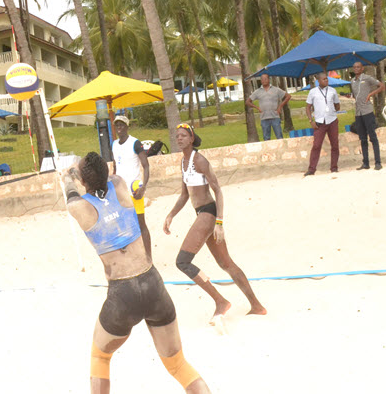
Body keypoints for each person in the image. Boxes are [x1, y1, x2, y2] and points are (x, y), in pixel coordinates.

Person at [62, 152, 211, 394]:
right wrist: (83, 173)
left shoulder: (78, 206)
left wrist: (69, 176)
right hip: (152, 282)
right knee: (178, 365)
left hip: (123, 293)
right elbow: (106, 178)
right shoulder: (119, 184)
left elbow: (71, 192)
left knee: (100, 358)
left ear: (83, 181)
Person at [163, 124, 266, 325]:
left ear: (192, 138)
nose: (180, 138)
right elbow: (185, 195)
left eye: (184, 135)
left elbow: (218, 190)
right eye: (177, 136)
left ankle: (220, 301)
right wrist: (171, 215)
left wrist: (219, 222)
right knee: (225, 263)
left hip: (209, 213)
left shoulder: (199, 160)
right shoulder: (183, 163)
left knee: (182, 261)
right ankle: (257, 306)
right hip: (201, 213)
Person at [111, 115, 151, 255]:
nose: (119, 128)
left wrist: (143, 188)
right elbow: (116, 167)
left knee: (141, 224)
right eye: (117, 125)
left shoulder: (135, 143)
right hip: (121, 191)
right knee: (123, 224)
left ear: (127, 127)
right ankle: (132, 254)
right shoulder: (114, 144)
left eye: (122, 125)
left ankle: (148, 256)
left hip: (135, 189)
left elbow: (146, 166)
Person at [304, 73, 341, 176]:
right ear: (318, 81)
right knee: (316, 145)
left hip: (332, 120)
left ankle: (334, 167)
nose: (326, 81)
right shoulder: (313, 92)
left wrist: (333, 110)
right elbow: (307, 107)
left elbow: (337, 105)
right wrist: (311, 121)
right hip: (320, 122)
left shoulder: (333, 91)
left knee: (335, 144)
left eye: (327, 79)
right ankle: (311, 169)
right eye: (324, 79)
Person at [350, 62, 385, 170]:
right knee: (363, 139)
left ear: (362, 68)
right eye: (354, 67)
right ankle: (365, 163)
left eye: (358, 67)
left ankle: (378, 162)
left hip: (368, 112)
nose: (356, 69)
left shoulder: (367, 78)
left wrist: (370, 94)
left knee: (373, 137)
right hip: (358, 113)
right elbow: (356, 95)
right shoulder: (352, 81)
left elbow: (382, 86)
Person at [246, 73, 291, 140]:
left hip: (275, 116)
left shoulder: (276, 90)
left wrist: (280, 106)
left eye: (265, 79)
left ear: (269, 80)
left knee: (279, 136)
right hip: (264, 118)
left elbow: (288, 96)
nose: (263, 80)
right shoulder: (257, 92)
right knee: (266, 138)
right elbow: (248, 102)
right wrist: (257, 107)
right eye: (262, 79)